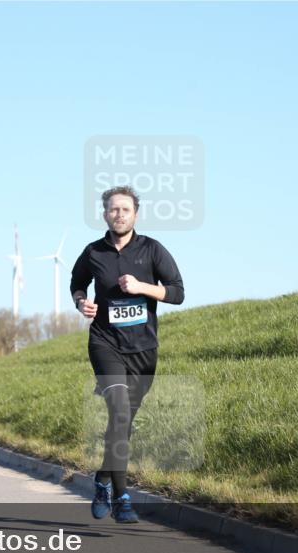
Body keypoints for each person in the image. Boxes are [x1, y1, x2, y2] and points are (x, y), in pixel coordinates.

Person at [70, 185, 184, 524]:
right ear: (105, 214)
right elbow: (77, 283)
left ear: (136, 214)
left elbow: (177, 292)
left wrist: (141, 287)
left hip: (144, 350)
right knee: (119, 413)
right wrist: (81, 303)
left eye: (125, 209)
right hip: (105, 343)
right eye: (113, 209)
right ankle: (122, 498)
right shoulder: (93, 252)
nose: (119, 214)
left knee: (123, 423)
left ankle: (103, 480)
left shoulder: (152, 249)